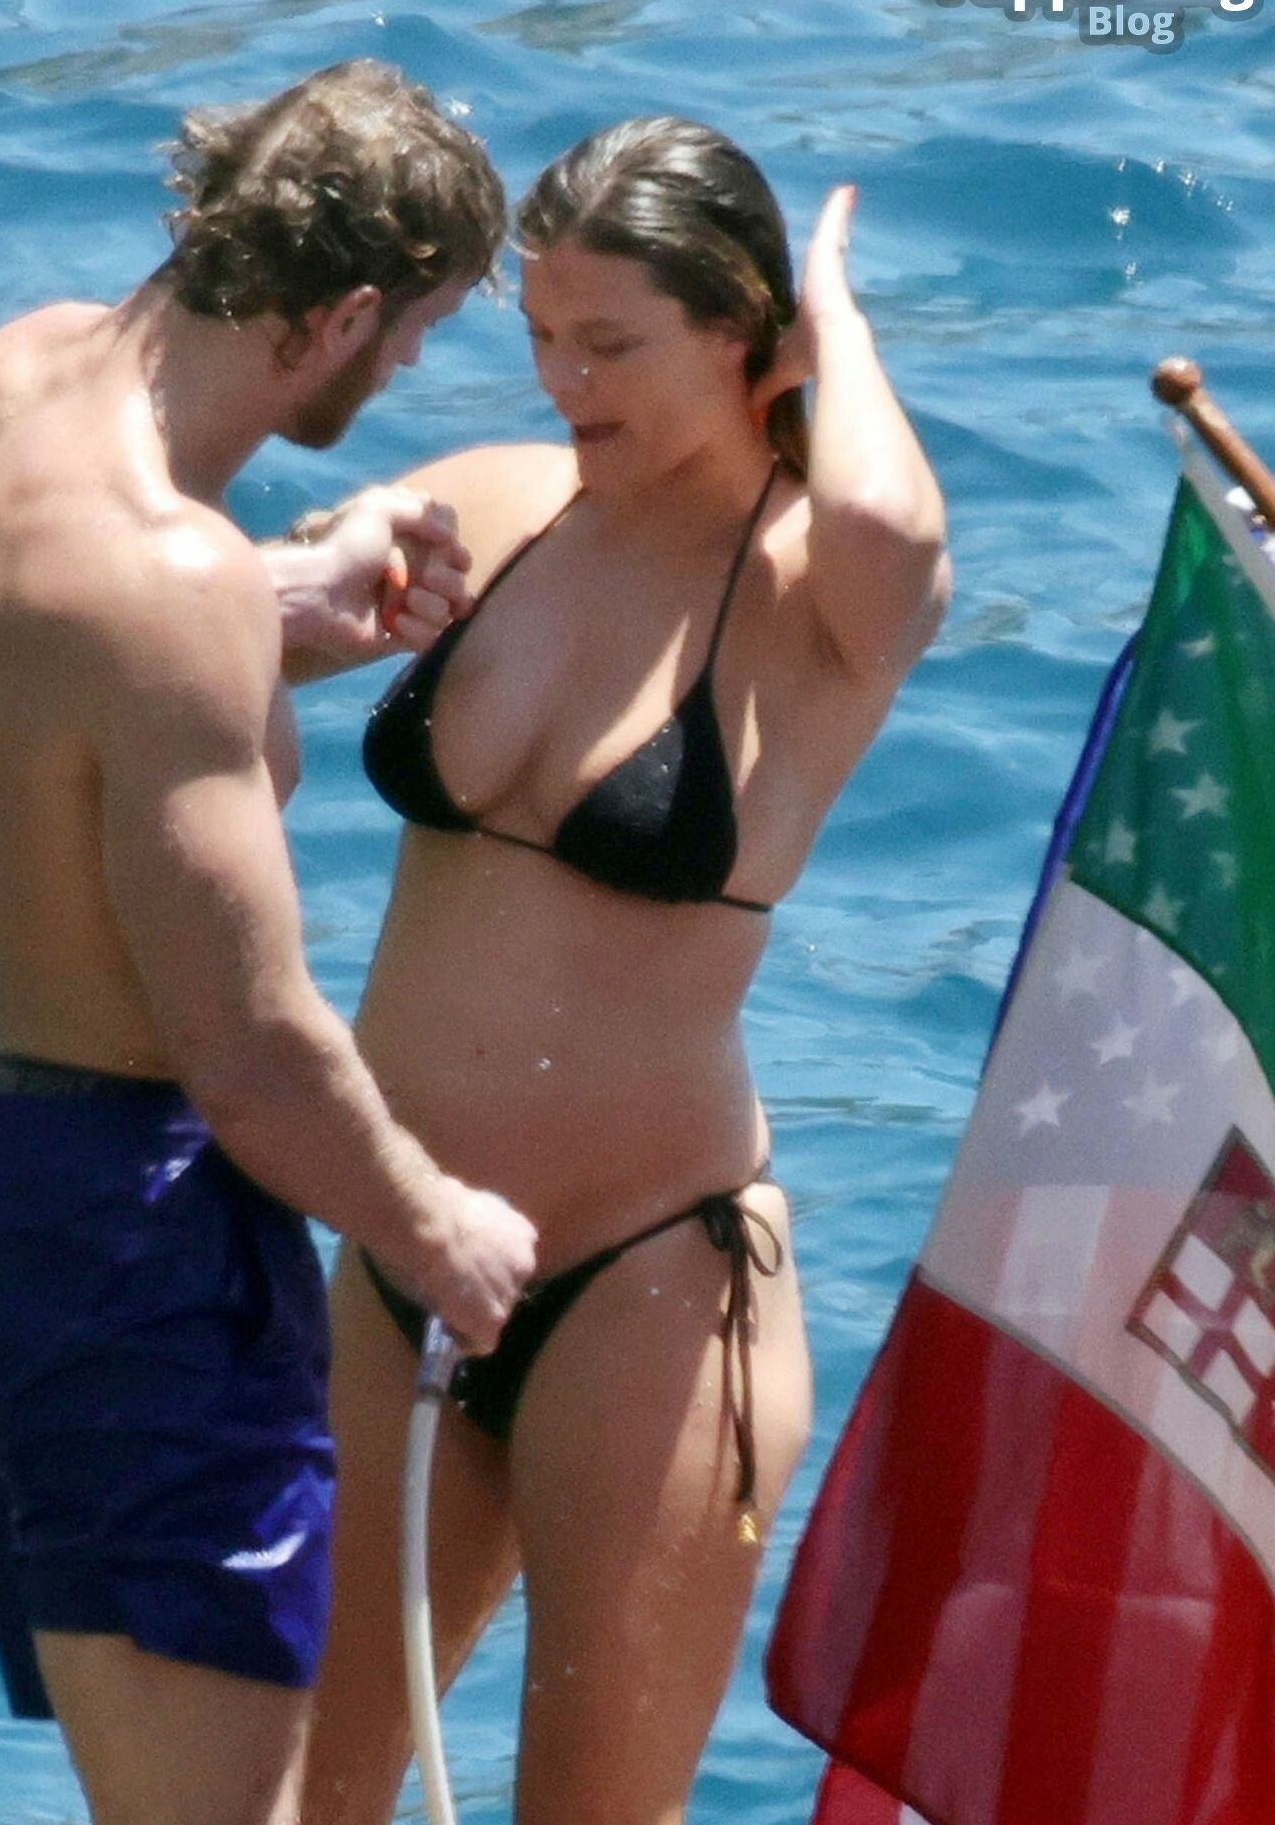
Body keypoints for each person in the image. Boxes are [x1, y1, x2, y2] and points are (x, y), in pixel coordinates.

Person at [0, 59, 538, 1825]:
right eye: (413, 335)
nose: (406, 375)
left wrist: (281, 601)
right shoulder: (170, 587)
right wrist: (437, 1226)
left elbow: (24, 711)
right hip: (142, 1229)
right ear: (342, 315)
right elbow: (248, 1055)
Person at [299, 117, 950, 1825]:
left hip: (645, 1286)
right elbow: (233, 627)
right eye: (538, 334)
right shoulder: (505, 505)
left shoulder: (815, 590)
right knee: (289, 1799)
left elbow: (897, 525)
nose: (561, 382)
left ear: (741, 337)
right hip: (399, 1250)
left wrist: (833, 315)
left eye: (609, 344)